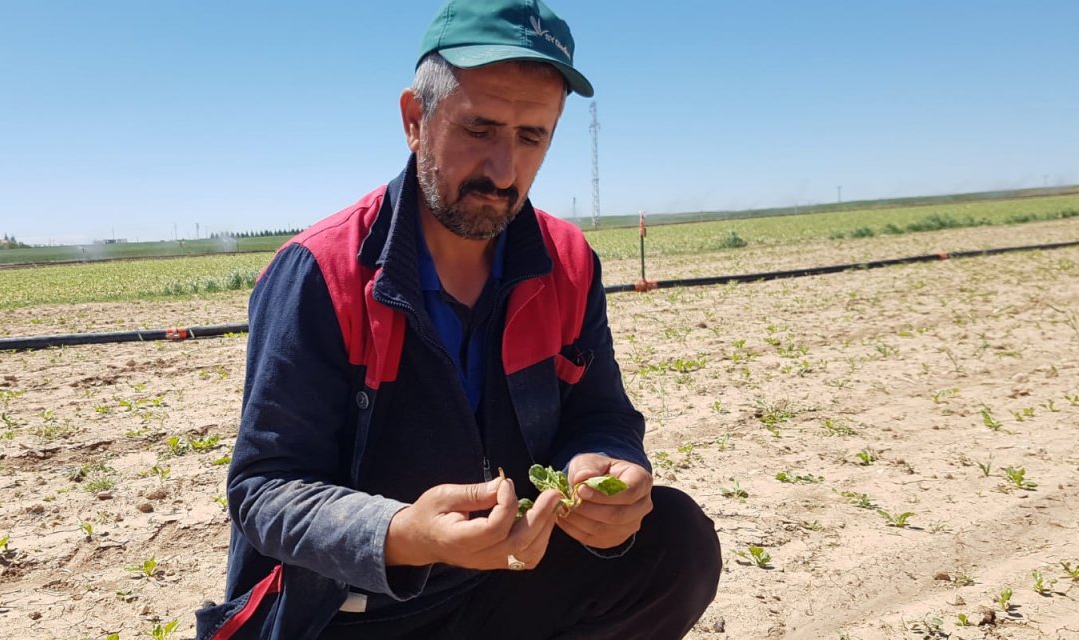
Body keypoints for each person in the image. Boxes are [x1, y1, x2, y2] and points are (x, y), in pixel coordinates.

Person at [203, 1, 721, 638]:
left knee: (674, 542)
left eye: (532, 137)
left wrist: (606, 463)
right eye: (480, 129)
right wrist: (405, 534)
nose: (504, 170)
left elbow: (601, 413)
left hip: (506, 582)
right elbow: (265, 488)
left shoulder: (567, 263)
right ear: (415, 120)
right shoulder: (322, 273)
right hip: (355, 611)